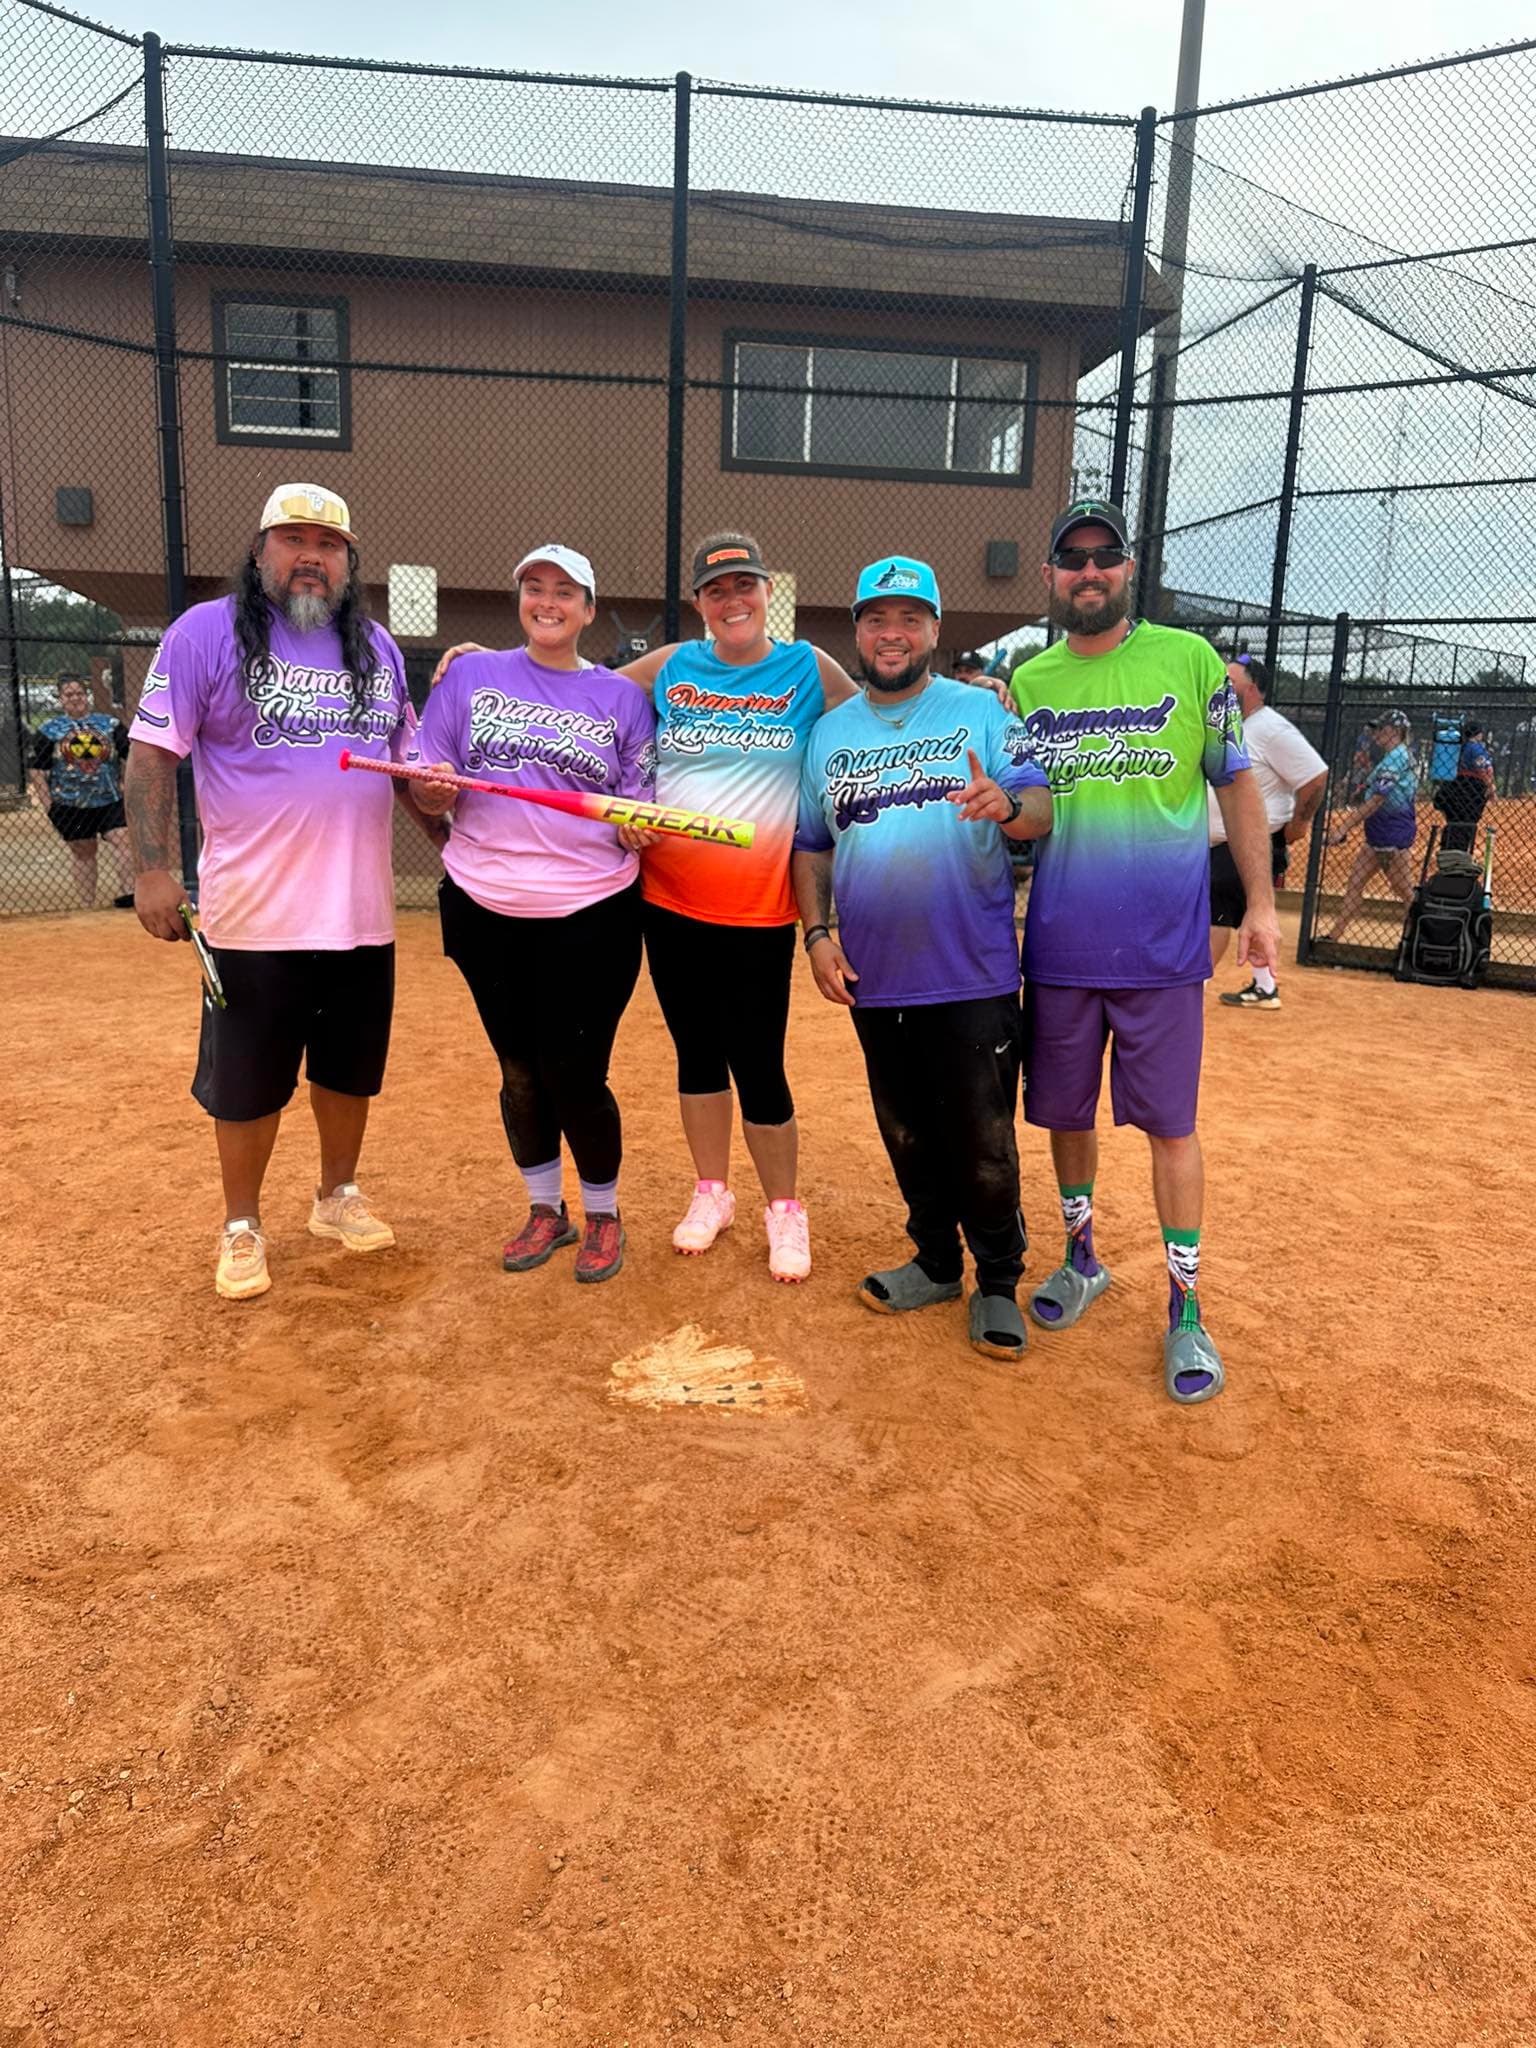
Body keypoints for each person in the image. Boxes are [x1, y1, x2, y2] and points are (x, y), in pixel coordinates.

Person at [430, 531, 857, 1283]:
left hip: (759, 905)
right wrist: (475, 658)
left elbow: (871, 718)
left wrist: (956, 706)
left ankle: (784, 1210)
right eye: (717, 591)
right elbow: (571, 681)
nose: (733, 602)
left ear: (767, 594)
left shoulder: (807, 668)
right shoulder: (672, 667)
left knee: (759, 1062)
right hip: (668, 901)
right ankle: (712, 1193)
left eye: (745, 587)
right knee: (696, 1056)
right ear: (698, 604)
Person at [124, 483, 427, 1302]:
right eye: (292, 540)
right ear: (260, 553)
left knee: (347, 1073)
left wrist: (438, 803)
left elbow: (412, 770)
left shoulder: (378, 650)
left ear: (347, 563)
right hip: (253, 917)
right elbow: (153, 754)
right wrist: (153, 868)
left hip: (360, 914)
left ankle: (335, 1196)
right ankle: (241, 1223)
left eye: (327, 545)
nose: (310, 558)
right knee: (249, 1081)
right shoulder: (203, 635)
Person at [1009, 499, 1279, 1406]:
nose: (1089, 572)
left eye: (1105, 558)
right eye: (1072, 559)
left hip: (1163, 949)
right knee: (1064, 1113)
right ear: (1051, 577)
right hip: (1060, 945)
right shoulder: (1030, 680)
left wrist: (1264, 905)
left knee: (1171, 1126)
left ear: (1128, 570)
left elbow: (1238, 785)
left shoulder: (1189, 659)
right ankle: (1082, 1258)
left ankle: (1186, 1309)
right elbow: (1023, 805)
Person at [792, 558, 1052, 1360]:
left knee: (979, 1134)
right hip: (875, 974)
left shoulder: (979, 713)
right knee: (905, 1129)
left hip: (969, 968)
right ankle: (937, 1262)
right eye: (876, 619)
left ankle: (999, 1280)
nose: (891, 633)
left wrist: (1005, 805)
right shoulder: (831, 734)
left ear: (935, 629)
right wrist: (817, 935)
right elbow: (810, 846)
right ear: (858, 631)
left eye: (909, 618)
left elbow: (1039, 809)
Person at [408, 545, 654, 1284]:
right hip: (485, 903)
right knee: (519, 1071)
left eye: (564, 592)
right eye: (534, 589)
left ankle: (604, 1214)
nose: (547, 602)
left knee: (574, 1070)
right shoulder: (470, 676)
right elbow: (429, 780)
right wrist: (435, 792)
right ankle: (546, 1209)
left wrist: (635, 823)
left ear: (587, 608)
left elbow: (636, 802)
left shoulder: (620, 698)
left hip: (593, 910)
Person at [1208, 653, 1327, 1011]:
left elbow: (1314, 776)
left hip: (1247, 839)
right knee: (1243, 912)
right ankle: (1264, 987)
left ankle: (1194, 983)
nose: (1222, 690)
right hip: (1221, 841)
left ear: (1254, 689)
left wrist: (1299, 823)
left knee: (1213, 913)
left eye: (1230, 684)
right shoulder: (1228, 725)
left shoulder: (1272, 728)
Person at [30, 675, 135, 907]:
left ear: (86, 696)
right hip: (70, 803)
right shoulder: (50, 730)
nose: (75, 698)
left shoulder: (109, 724)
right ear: (60, 699)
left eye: (79, 693)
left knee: (123, 838)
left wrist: (127, 787)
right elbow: (37, 769)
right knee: (84, 851)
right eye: (69, 695)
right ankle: (88, 906)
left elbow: (131, 757)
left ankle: (130, 896)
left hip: (110, 798)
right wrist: (48, 805)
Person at [1324, 708, 1419, 939]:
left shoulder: (1397, 757)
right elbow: (1372, 790)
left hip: (1392, 831)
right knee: (1356, 883)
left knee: (1403, 889)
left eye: (1381, 728)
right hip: (1378, 830)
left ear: (1395, 731)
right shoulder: (1391, 757)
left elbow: (1378, 799)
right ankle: (1335, 935)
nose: (1376, 733)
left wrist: (1343, 828)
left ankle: (1417, 937)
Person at [1434, 716, 1494, 854]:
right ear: (1478, 733)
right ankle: (1460, 853)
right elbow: (1482, 768)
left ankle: (1446, 850)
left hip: (1453, 785)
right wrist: (1491, 787)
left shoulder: (1459, 746)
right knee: (1467, 822)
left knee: (1453, 821)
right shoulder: (1477, 748)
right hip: (1471, 788)